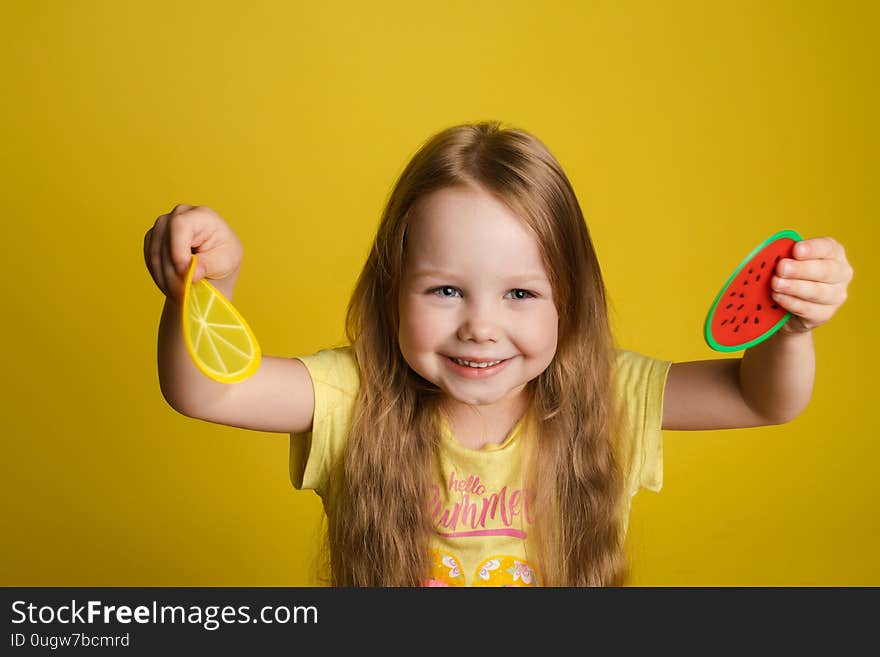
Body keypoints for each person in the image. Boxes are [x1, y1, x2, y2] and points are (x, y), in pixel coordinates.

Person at [143, 121, 854, 587]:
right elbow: (208, 390)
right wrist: (208, 291)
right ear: (393, 291)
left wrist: (790, 329)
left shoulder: (608, 397)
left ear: (569, 301)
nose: (480, 327)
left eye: (519, 294)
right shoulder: (352, 396)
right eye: (446, 289)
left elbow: (765, 398)